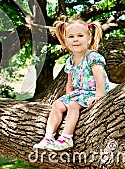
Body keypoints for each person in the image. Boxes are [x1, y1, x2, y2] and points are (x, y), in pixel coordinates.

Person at [33, 17, 111, 151]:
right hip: (79, 93)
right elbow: (69, 83)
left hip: (93, 92)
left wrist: (99, 97)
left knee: (74, 105)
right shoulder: (70, 60)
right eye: (71, 37)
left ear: (88, 38)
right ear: (65, 41)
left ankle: (66, 138)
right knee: (57, 104)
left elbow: (100, 79)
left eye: (80, 36)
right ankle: (48, 137)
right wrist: (67, 97)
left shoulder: (92, 57)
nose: (75, 39)